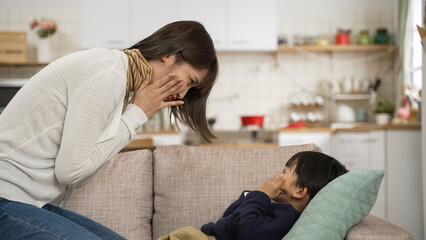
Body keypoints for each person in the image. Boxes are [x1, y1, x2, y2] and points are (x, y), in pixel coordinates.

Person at [0, 21, 218, 239]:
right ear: (170, 55)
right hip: (6, 198)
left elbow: (79, 178)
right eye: (189, 81)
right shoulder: (108, 74)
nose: (182, 95)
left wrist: (133, 114)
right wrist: (136, 115)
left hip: (29, 204)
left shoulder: (122, 83)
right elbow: (70, 172)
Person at [159, 151, 348, 240]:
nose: (276, 175)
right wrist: (250, 197)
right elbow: (229, 218)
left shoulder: (286, 217)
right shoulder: (273, 208)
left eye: (285, 171)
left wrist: (261, 195)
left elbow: (242, 229)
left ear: (299, 191)